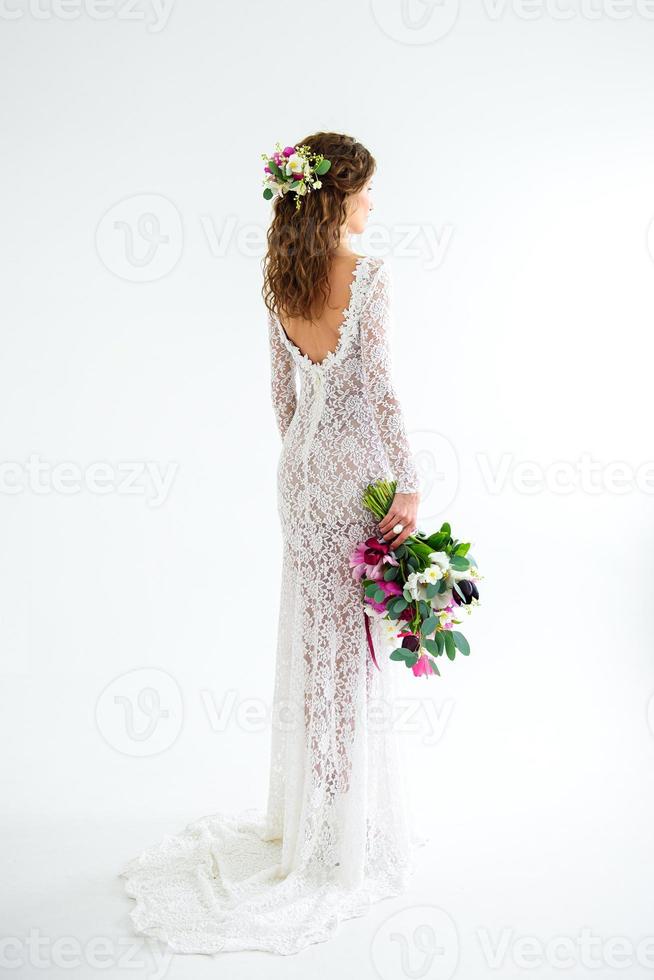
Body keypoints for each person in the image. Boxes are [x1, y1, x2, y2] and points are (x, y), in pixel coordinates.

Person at [119, 131, 423, 956]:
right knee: (350, 650)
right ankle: (341, 826)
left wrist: (303, 473)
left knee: (314, 642)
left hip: (299, 477)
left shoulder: (281, 281)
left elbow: (283, 403)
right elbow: (379, 389)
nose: (373, 203)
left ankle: (312, 817)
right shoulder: (371, 276)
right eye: (365, 189)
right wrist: (410, 479)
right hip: (356, 473)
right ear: (337, 194)